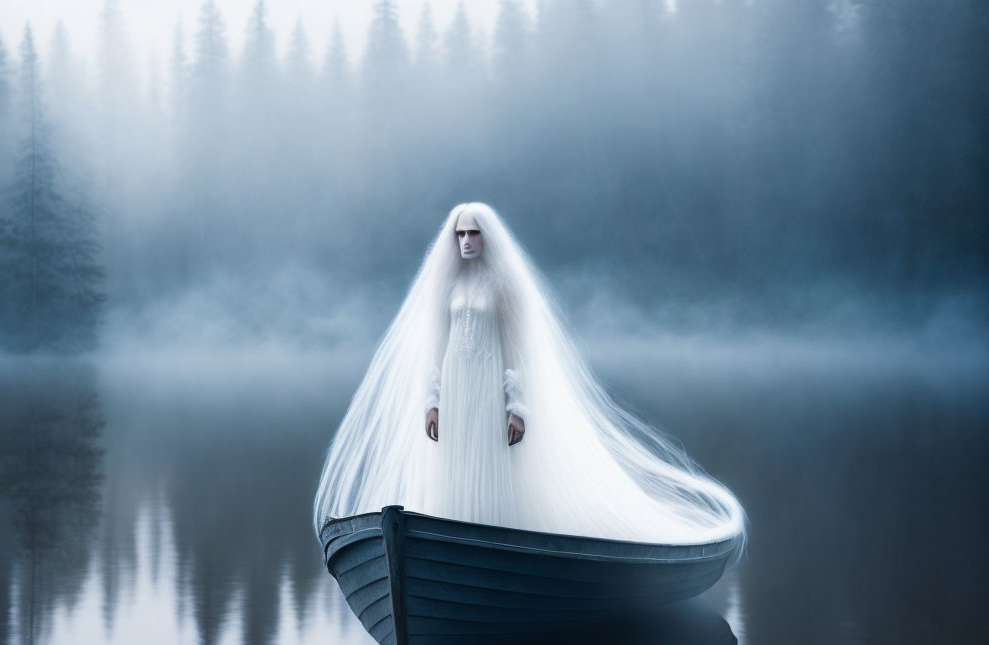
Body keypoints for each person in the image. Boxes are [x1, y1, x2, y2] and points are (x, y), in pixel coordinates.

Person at [312, 202, 745, 549]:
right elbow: (436, 349)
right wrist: (432, 401)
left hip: (486, 388)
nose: (465, 241)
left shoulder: (502, 286)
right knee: (455, 462)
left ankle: (489, 540)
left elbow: (518, 352)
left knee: (489, 462)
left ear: (487, 237)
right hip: (457, 388)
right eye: (460, 234)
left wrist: (516, 407)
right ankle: (451, 542)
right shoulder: (447, 287)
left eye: (473, 233)